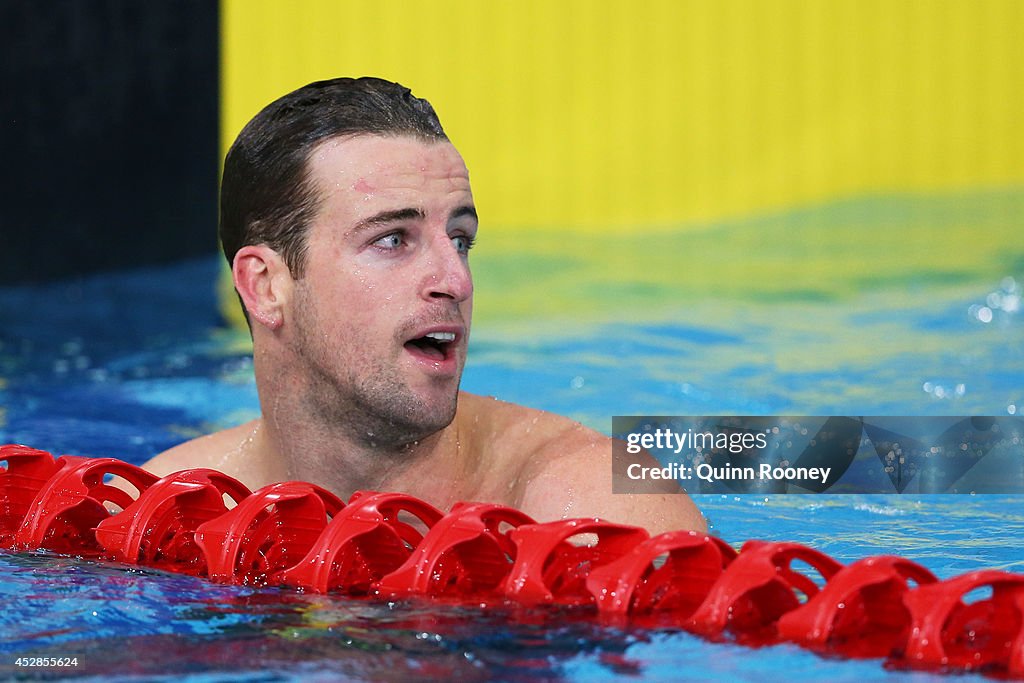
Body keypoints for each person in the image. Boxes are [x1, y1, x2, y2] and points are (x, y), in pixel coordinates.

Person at [144, 77, 705, 534]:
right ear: (266, 286)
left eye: (460, 239)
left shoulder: (597, 509)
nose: (455, 280)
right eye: (392, 240)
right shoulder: (163, 509)